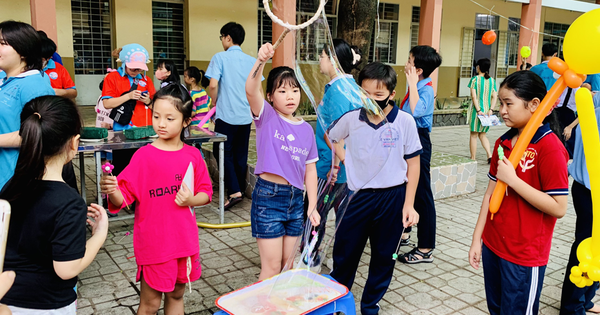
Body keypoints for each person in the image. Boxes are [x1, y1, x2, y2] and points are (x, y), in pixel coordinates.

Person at [101, 84, 213, 314]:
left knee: (177, 295)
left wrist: (191, 200)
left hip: (184, 242)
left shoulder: (193, 155)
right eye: (156, 116)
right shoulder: (144, 156)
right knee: (150, 303)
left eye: (170, 118)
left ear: (185, 121)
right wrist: (112, 188)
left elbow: (206, 193)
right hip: (154, 245)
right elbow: (123, 197)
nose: (161, 123)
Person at [468, 71, 569, 314]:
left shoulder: (549, 147)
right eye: (500, 103)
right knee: (497, 308)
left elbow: (559, 207)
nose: (501, 110)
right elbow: (489, 195)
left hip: (524, 255)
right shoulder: (503, 142)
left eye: (508, 103)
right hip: (493, 244)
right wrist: (476, 239)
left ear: (534, 104)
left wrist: (513, 181)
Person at [0, 95, 108, 314]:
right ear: (75, 143)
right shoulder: (69, 203)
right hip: (48, 304)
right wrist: (98, 235)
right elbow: (66, 269)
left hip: (7, 296)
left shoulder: (10, 187)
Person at [328, 62, 421, 315]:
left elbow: (414, 165)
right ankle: (338, 304)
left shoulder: (404, 122)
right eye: (364, 93)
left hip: (393, 198)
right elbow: (332, 136)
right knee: (345, 254)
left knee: (384, 257)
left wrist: (409, 204)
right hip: (356, 198)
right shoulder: (351, 119)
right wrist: (344, 158)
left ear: (392, 94)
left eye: (378, 96)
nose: (370, 100)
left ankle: (370, 305)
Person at [246, 43, 320, 281]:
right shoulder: (266, 116)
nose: (290, 96)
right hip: (269, 198)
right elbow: (250, 90)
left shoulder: (307, 130)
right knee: (271, 269)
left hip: (296, 201)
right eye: (282, 91)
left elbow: (310, 170)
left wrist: (312, 206)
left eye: (295, 90)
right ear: (270, 96)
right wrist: (260, 61)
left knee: (289, 268)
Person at [303, 38, 362, 264]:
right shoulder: (350, 87)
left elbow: (337, 134)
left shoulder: (338, 90)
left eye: (323, 56)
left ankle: (311, 257)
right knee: (342, 218)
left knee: (316, 213)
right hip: (346, 167)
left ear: (334, 60)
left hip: (330, 167)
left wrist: (335, 166)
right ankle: (339, 259)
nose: (320, 59)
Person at [206, 22, 261, 209]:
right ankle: (238, 189)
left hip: (226, 115)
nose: (222, 40)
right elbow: (257, 88)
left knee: (221, 152)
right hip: (245, 117)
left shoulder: (219, 57)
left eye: (222, 37)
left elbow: (213, 85)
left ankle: (234, 192)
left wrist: (214, 101)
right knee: (240, 154)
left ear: (228, 37)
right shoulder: (251, 60)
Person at [398, 45, 442, 264]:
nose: (406, 64)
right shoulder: (418, 85)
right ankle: (405, 232)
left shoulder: (424, 88)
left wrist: (413, 84)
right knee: (410, 188)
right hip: (409, 140)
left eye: (410, 60)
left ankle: (425, 247)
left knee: (423, 194)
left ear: (419, 69)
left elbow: (415, 111)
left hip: (420, 141)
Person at [0, 20, 55, 190]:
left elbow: (44, 132)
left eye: (2, 43)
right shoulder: (5, 81)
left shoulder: (34, 85)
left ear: (23, 50)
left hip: (16, 178)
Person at [559, 93, 600, 315]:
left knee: (595, 249)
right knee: (586, 249)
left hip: (586, 188)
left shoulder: (594, 104)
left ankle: (586, 300)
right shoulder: (595, 108)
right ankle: (572, 307)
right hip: (591, 192)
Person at [101, 43, 155, 175]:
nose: (137, 72)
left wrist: (148, 101)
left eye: (139, 69)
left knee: (143, 170)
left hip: (143, 131)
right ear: (124, 63)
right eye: (133, 69)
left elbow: (157, 107)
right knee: (122, 168)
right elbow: (107, 103)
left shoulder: (146, 80)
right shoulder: (112, 78)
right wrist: (128, 96)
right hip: (122, 131)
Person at [468, 58, 497, 163]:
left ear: (478, 67)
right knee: (483, 135)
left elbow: (473, 97)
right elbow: (495, 96)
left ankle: (473, 158)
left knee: (474, 135)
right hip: (488, 112)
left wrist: (478, 110)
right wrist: (491, 109)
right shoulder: (492, 81)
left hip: (477, 112)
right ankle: (489, 155)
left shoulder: (474, 79)